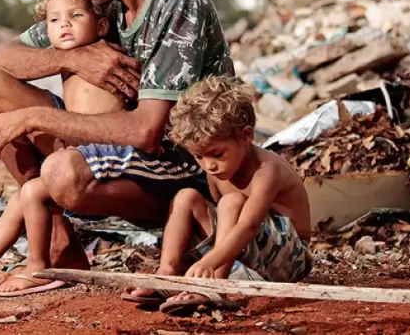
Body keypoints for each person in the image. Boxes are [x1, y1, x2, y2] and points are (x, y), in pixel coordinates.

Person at [0, 0, 235, 283]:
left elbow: (147, 131)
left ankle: (70, 194)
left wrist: (36, 117)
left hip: (180, 167)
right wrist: (69, 59)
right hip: (112, 151)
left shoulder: (180, 1)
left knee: (61, 172)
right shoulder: (97, 2)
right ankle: (61, 244)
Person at [0, 0, 127, 296]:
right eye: (54, 20)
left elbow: (106, 124)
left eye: (76, 16)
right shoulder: (69, 47)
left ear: (102, 25)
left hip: (103, 155)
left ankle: (38, 263)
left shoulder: (106, 52)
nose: (64, 24)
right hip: (75, 145)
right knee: (24, 195)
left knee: (32, 192)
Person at [129, 75, 312, 315]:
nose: (209, 165)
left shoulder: (267, 171)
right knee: (186, 197)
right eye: (199, 157)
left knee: (231, 201)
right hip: (247, 253)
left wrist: (210, 262)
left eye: (217, 154)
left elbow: (247, 224)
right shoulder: (216, 170)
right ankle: (167, 275)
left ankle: (214, 286)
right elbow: (224, 223)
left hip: (289, 260)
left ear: (247, 136)